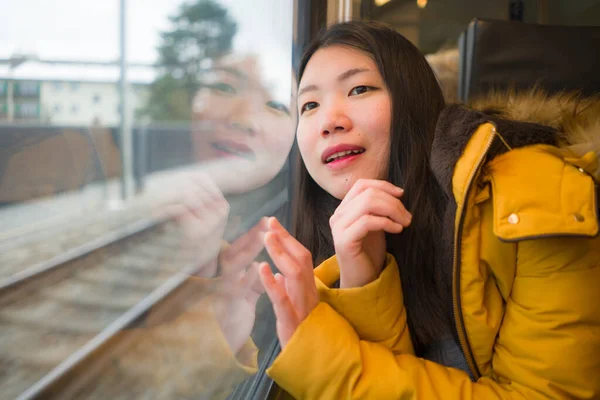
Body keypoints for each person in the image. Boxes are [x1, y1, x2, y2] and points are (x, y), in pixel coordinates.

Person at [257, 21, 600, 399]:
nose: (328, 121)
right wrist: (363, 280)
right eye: (309, 105)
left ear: (413, 100)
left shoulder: (533, 190)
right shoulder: (340, 238)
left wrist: (325, 366)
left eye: (359, 89)